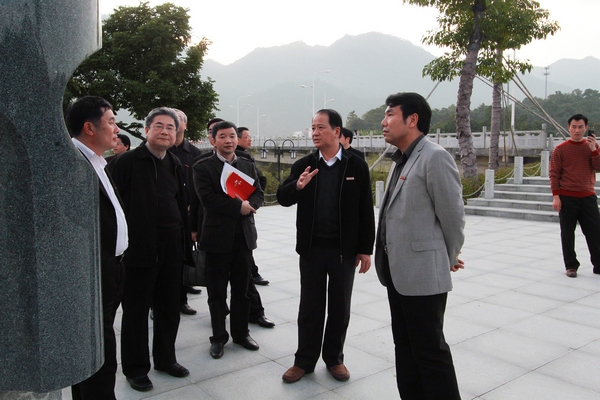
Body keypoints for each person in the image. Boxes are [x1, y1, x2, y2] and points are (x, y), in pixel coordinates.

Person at [375, 92, 465, 399]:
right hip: (397, 272)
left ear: (412, 120)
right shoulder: (401, 158)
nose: (383, 121)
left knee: (430, 352)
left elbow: (452, 217)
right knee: (404, 347)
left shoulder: (434, 157)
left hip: (423, 275)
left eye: (390, 114)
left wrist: (448, 256)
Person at [277, 109, 375, 383]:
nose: (315, 133)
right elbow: (282, 198)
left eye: (321, 127)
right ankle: (304, 361)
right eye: (313, 128)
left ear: (337, 131)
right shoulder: (304, 165)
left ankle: (334, 358)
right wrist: (298, 186)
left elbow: (365, 209)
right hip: (312, 249)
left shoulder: (355, 165)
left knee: (340, 307)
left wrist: (365, 248)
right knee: (310, 307)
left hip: (344, 250)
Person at [107, 107, 192, 392]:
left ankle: (166, 359)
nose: (165, 131)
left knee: (169, 308)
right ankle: (135, 369)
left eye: (171, 127)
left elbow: (181, 203)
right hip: (138, 250)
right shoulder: (125, 162)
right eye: (159, 126)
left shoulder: (175, 163)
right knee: (136, 311)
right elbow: (110, 207)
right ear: (146, 130)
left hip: (171, 247)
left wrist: (186, 240)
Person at [66, 96, 128, 400]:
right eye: (111, 121)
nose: (117, 128)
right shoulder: (72, 164)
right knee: (97, 350)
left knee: (98, 342)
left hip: (110, 267)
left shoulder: (97, 160)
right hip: (92, 272)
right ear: (89, 128)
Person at [193, 120, 265, 359]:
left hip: (243, 237)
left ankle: (241, 334)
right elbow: (207, 199)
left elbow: (258, 191)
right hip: (216, 238)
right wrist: (238, 207)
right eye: (222, 136)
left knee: (242, 291)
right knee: (217, 293)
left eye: (232, 136)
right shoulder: (203, 167)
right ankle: (218, 338)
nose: (229, 140)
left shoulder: (246, 164)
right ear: (213, 140)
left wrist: (251, 205)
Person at [550, 113, 600, 278]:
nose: (577, 130)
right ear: (569, 128)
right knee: (567, 233)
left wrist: (593, 150)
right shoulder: (560, 150)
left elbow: (598, 167)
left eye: (580, 127)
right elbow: (554, 174)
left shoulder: (593, 146)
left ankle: (598, 264)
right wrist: (556, 196)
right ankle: (571, 265)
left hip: (588, 196)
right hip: (567, 196)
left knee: (594, 232)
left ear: (586, 128)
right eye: (574, 127)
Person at [169, 108, 203, 314]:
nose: (174, 121)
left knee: (183, 259)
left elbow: (201, 189)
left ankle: (181, 300)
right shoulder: (161, 150)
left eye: (178, 118)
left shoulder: (196, 154)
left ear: (185, 125)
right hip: (164, 216)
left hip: (187, 217)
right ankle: (157, 303)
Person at [236, 126, 269, 286]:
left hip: (245, 208)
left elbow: (259, 181)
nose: (250, 140)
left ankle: (252, 273)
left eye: (250, 137)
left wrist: (251, 200)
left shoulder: (245, 159)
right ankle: (252, 274)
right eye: (247, 137)